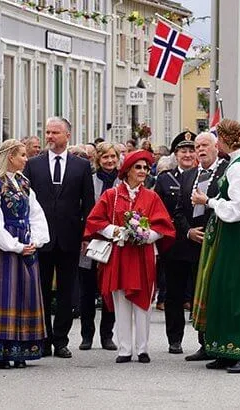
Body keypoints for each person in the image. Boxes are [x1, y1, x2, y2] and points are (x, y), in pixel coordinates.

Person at [191, 119, 240, 373]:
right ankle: (225, 348)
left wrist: (209, 201)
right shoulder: (238, 162)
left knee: (239, 290)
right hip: (231, 233)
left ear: (223, 140)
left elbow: (239, 208)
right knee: (223, 288)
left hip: (238, 234)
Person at [84, 150, 175, 364]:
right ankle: (124, 348)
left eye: (145, 167)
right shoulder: (111, 195)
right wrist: (115, 231)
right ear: (128, 171)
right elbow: (95, 221)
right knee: (121, 299)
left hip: (143, 255)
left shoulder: (151, 196)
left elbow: (164, 225)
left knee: (143, 301)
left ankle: (142, 348)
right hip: (120, 254)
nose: (143, 171)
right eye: (138, 167)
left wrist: (148, 236)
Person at [23, 117, 95, 359]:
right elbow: (26, 202)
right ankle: (42, 339)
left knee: (66, 291)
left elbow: (89, 204)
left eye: (55, 132)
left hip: (70, 237)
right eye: (47, 132)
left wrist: (88, 236)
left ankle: (61, 340)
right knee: (41, 289)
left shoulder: (80, 166)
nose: (50, 137)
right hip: (41, 238)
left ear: (67, 135)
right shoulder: (33, 164)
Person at [0, 140, 49, 369]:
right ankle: (0, 351)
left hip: (25, 243)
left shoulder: (23, 183)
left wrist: (36, 240)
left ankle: (20, 350)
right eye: (22, 155)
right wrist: (15, 245)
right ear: (10, 157)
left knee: (23, 295)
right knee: (3, 294)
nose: (26, 159)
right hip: (3, 248)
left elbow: (36, 213)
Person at [169, 132, 228, 359]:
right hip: (190, 243)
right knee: (194, 294)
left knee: (212, 293)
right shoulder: (189, 176)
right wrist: (187, 231)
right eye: (197, 147)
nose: (199, 150)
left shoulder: (225, 173)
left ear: (216, 148)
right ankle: (202, 343)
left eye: (204, 145)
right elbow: (178, 210)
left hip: (216, 241)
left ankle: (214, 341)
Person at [78, 142, 120, 351]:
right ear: (98, 159)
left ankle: (107, 335)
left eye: (113, 157)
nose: (110, 161)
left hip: (115, 242)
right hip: (90, 241)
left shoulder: (123, 181)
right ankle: (87, 335)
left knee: (109, 290)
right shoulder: (90, 180)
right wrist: (84, 237)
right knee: (87, 289)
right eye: (105, 157)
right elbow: (84, 211)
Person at [154, 132, 196, 312]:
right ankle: (174, 337)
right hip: (173, 240)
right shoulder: (165, 179)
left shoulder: (204, 177)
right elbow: (156, 209)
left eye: (191, 150)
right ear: (176, 155)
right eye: (183, 151)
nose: (187, 155)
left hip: (196, 238)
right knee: (173, 290)